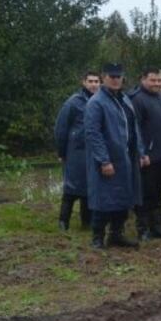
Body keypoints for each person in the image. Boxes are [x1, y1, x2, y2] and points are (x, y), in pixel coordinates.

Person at [84, 63, 148, 248]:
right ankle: (97, 238)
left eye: (118, 77)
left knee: (124, 198)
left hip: (127, 159)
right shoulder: (96, 102)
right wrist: (104, 160)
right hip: (108, 160)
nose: (115, 79)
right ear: (104, 78)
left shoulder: (125, 100)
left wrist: (141, 152)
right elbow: (93, 134)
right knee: (103, 200)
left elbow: (134, 128)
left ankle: (116, 234)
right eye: (112, 76)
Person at [129, 67, 161, 240]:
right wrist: (142, 153)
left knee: (158, 192)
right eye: (153, 80)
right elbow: (136, 130)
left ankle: (157, 227)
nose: (157, 84)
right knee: (145, 193)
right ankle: (143, 229)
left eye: (159, 81)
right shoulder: (136, 100)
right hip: (147, 157)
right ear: (143, 79)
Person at [54, 70, 100, 230]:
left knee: (89, 187)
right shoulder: (73, 102)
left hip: (93, 151)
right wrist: (61, 151)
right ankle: (63, 221)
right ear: (84, 82)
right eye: (91, 81)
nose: (94, 84)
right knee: (71, 188)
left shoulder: (101, 100)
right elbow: (61, 128)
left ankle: (86, 222)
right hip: (75, 151)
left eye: (96, 81)